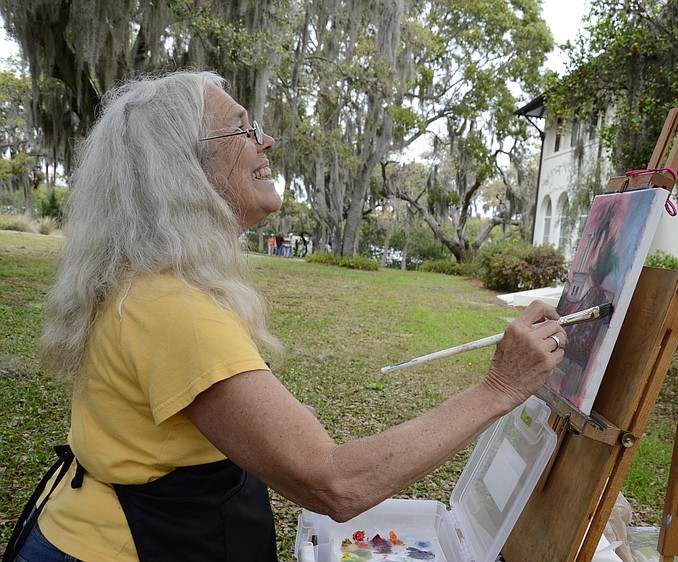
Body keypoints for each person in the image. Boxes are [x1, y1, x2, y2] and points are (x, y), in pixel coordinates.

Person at [10, 71, 568, 562]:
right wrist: (499, 387)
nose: (267, 141)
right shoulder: (170, 308)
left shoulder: (154, 282)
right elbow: (334, 484)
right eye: (243, 130)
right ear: (182, 165)